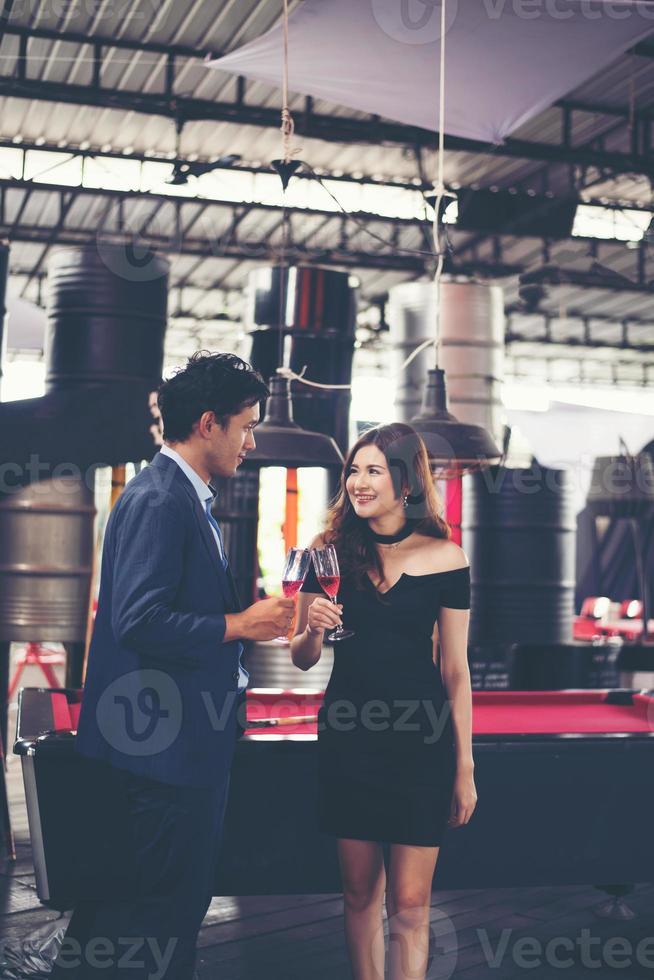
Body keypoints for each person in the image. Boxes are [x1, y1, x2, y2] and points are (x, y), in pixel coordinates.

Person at [57, 352, 295, 980]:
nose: (252, 441)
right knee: (162, 919)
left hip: (171, 744)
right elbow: (138, 620)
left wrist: (248, 629)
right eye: (248, 426)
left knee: (150, 917)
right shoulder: (162, 498)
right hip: (163, 752)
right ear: (210, 423)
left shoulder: (182, 495)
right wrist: (242, 624)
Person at [290, 422, 477, 980]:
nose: (358, 482)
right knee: (357, 892)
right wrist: (314, 630)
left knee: (412, 904)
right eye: (353, 469)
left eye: (374, 470)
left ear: (405, 480)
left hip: (422, 744)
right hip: (350, 736)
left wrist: (464, 765)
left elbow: (456, 669)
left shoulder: (447, 558)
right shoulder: (324, 552)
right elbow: (301, 655)